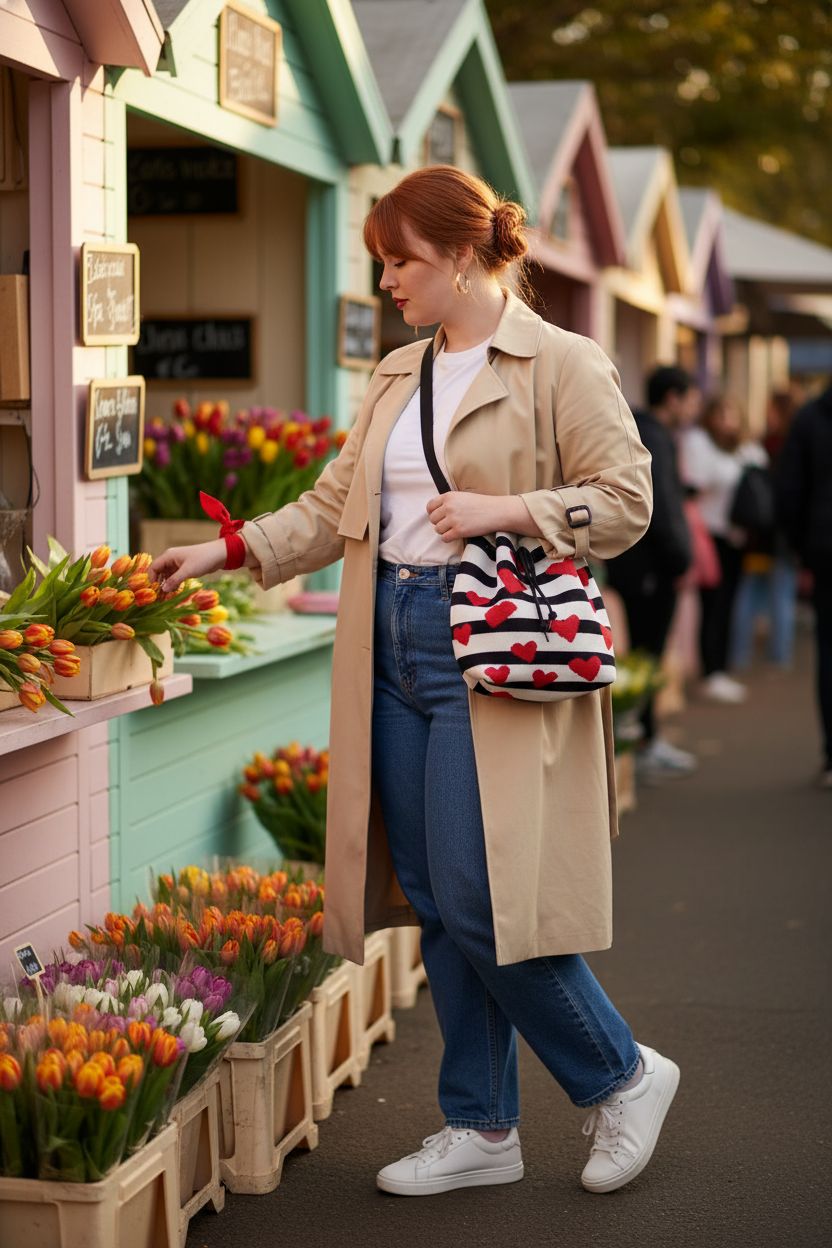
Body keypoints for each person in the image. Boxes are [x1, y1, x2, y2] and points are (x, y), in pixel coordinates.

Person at [150, 166, 680, 1196]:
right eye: (382, 263)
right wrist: (223, 552)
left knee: (482, 898)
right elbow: (330, 504)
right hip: (386, 638)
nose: (389, 280)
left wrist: (510, 510)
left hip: (483, 646)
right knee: (435, 898)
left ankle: (620, 1074)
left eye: (404, 262)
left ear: (469, 257)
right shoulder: (399, 372)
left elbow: (625, 504)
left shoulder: (561, 362)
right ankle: (481, 1128)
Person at [605, 366, 696, 782]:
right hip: (650, 566)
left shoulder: (639, 430)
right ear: (673, 398)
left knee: (644, 653)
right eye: (690, 398)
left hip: (636, 562)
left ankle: (643, 739)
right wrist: (681, 559)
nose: (694, 407)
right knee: (647, 653)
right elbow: (661, 509)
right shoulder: (654, 436)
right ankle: (641, 743)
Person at [679, 395, 766, 703]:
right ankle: (710, 670)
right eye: (721, 413)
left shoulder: (746, 447)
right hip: (708, 535)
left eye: (732, 413)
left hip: (738, 537)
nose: (727, 420)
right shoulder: (699, 443)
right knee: (713, 603)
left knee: (730, 602)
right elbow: (697, 483)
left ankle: (721, 667)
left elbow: (760, 469)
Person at [776, 380, 832, 788]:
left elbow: (789, 490)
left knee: (829, 651)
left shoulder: (811, 417)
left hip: (825, 548)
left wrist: (801, 545)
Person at [730, 391, 798, 671]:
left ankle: (740, 655)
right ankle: (779, 657)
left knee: (750, 594)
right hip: (781, 537)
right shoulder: (791, 445)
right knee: (780, 596)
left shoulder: (765, 445)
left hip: (760, 535)